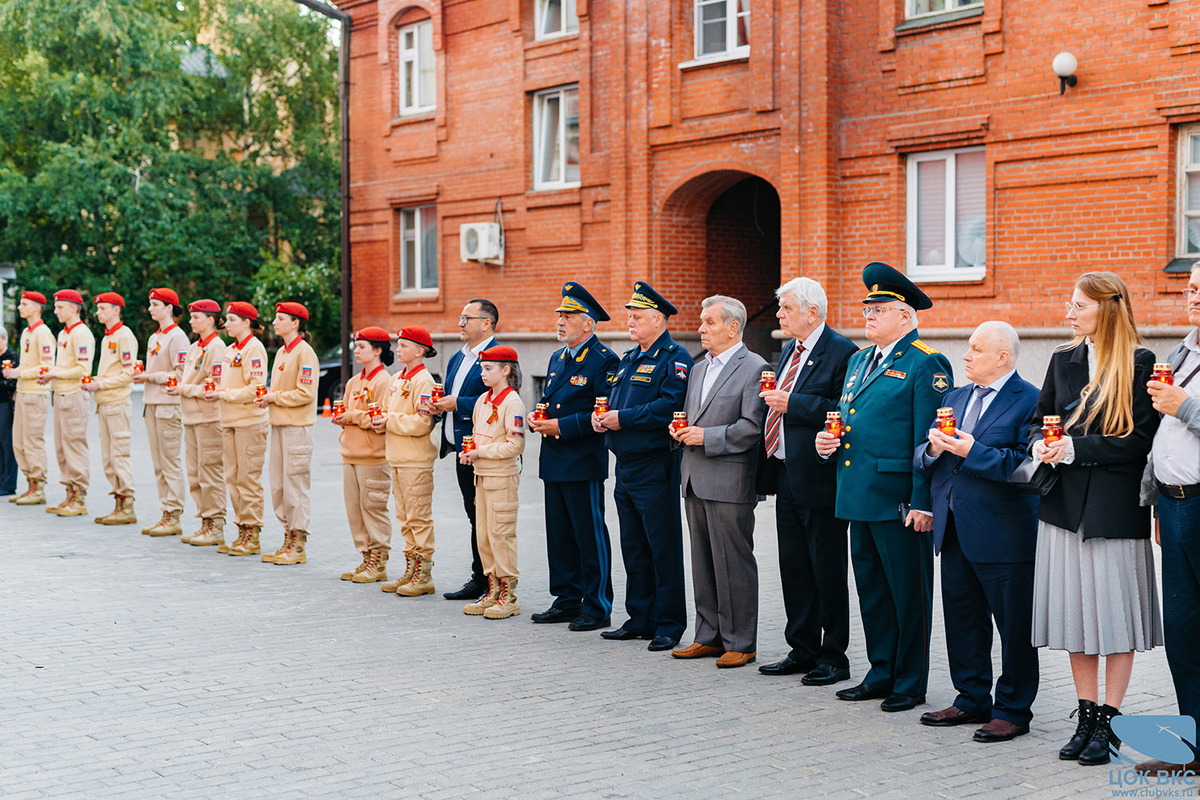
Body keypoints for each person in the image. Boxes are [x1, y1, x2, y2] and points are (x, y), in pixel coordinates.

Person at [1028, 271, 1162, 766]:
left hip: (1113, 509)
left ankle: (1110, 722)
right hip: (1063, 510)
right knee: (1076, 618)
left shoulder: (1139, 362)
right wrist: (1040, 444)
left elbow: (1139, 440)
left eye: (1079, 305)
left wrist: (1075, 449)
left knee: (1114, 619)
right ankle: (1085, 715)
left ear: (1108, 307)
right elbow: (1036, 420)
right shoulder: (1063, 360)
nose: (1069, 312)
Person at [816, 262, 953, 712]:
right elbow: (846, 421)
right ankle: (880, 671)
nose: (869, 314)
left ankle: (910, 682)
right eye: (867, 307)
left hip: (899, 499)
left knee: (907, 594)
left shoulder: (926, 362)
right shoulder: (858, 360)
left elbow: (927, 437)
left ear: (907, 316)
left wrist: (922, 501)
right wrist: (826, 444)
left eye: (880, 308)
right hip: (858, 494)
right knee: (872, 591)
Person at [913, 321, 1040, 743]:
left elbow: (1027, 468)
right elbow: (925, 455)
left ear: (1002, 357)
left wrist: (972, 450)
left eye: (975, 349)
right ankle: (971, 698)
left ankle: (1013, 709)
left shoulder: (1030, 401)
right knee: (963, 620)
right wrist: (932, 449)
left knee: (1014, 626)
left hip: (1004, 533)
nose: (965, 356)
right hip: (953, 528)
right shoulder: (955, 396)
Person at [755, 277, 857, 685]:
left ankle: (833, 656)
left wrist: (791, 403)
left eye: (785, 309)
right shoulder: (790, 350)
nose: (778, 316)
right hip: (786, 474)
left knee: (826, 568)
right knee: (793, 566)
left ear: (812, 312)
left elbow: (842, 408)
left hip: (819, 476)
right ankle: (802, 648)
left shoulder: (842, 351)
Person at [669, 296, 767, 668]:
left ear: (732, 327)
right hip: (694, 477)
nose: (701, 328)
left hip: (729, 480)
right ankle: (708, 635)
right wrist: (680, 432)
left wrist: (704, 438)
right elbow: (695, 416)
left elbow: (751, 428)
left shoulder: (754, 367)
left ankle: (741, 641)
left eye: (709, 322)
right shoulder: (697, 368)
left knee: (734, 564)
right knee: (703, 562)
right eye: (701, 321)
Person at [597, 282, 693, 653]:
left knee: (662, 546)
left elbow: (670, 405)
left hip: (656, 464)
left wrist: (623, 419)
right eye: (630, 316)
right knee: (634, 546)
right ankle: (639, 618)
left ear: (658, 319)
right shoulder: (628, 358)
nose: (630, 322)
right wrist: (604, 418)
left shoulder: (674, 358)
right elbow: (618, 401)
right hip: (626, 466)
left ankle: (669, 623)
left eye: (637, 317)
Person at [1137, 262, 1200, 775]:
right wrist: (1157, 498)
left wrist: (1185, 407)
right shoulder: (1183, 349)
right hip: (1175, 505)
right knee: (1182, 631)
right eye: (1193, 288)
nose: (1195, 297)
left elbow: (1182, 415)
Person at [528, 282, 620, 632]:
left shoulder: (603, 360)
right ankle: (566, 599)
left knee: (589, 534)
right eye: (560, 315)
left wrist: (560, 426)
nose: (561, 321)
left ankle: (597, 605)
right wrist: (543, 421)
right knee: (560, 535)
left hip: (582, 459)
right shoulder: (557, 358)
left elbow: (603, 412)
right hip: (554, 458)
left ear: (589, 324)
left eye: (568, 316)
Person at [432, 299, 498, 600]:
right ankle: (479, 576)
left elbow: (503, 398)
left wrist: (457, 404)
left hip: (484, 450)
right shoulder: (458, 357)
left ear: (486, 323)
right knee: (473, 514)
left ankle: (491, 579)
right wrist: (436, 406)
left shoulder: (499, 356)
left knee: (487, 517)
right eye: (460, 317)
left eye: (466, 318)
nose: (460, 323)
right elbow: (449, 394)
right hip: (461, 448)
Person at [459, 345, 526, 619]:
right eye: (482, 368)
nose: (483, 373)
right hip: (482, 477)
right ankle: (493, 589)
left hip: (502, 479)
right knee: (484, 536)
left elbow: (515, 445)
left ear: (506, 370)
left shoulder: (513, 402)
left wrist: (480, 452)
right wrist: (470, 452)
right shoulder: (482, 400)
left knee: (501, 535)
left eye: (488, 368)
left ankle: (509, 594)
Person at [374, 326, 438, 595]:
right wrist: (380, 421)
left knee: (418, 516)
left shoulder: (425, 381)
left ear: (419, 351)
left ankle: (423, 574)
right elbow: (390, 413)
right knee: (404, 517)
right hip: (398, 456)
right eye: (398, 345)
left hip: (415, 459)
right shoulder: (397, 378)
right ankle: (410, 569)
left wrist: (389, 420)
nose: (397, 350)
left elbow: (422, 422)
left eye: (403, 345)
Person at [258, 302, 320, 566]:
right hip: (280, 424)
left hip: (297, 427)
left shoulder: (304, 353)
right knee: (279, 486)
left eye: (280, 318)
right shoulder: (283, 351)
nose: (274, 322)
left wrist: (273, 397)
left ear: (295, 323)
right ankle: (287, 537)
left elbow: (305, 393)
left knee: (295, 486)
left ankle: (299, 542)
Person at [336, 327, 395, 584]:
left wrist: (350, 416)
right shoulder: (353, 381)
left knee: (373, 508)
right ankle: (365, 556)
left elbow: (379, 418)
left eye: (362, 347)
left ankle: (379, 559)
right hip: (350, 452)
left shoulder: (385, 381)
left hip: (373, 455)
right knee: (355, 510)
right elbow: (349, 410)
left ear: (378, 350)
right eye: (356, 347)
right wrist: (343, 418)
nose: (356, 351)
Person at [212, 301, 270, 556]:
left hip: (249, 421)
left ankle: (252, 532)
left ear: (247, 323)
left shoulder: (254, 349)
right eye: (227, 318)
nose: (227, 323)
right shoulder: (229, 349)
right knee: (233, 478)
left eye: (233, 319)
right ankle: (241, 530)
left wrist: (224, 394)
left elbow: (255, 388)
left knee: (248, 479)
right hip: (230, 420)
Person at [171, 299, 228, 546]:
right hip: (191, 416)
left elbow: (214, 384)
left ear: (211, 319)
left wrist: (184, 389)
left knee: (210, 470)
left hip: (208, 417)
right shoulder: (195, 346)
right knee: (195, 473)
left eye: (197, 317)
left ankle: (215, 523)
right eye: (192, 316)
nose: (191, 321)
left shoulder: (216, 346)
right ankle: (204, 521)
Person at [135, 288, 190, 536]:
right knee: (159, 464)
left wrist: (150, 376)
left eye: (155, 304)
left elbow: (181, 375)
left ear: (169, 308)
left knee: (170, 462)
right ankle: (165, 512)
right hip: (152, 403)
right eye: (150, 304)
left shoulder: (177, 337)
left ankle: (174, 514)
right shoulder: (155, 337)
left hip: (169, 405)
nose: (150, 308)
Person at [83, 292, 139, 525]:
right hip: (104, 403)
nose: (98, 313)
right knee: (108, 459)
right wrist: (96, 379)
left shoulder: (124, 335)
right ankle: (118, 503)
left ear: (116, 310)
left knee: (119, 456)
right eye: (98, 309)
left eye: (103, 309)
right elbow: (113, 370)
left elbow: (129, 374)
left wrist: (101, 383)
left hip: (117, 403)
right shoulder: (108, 337)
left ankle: (127, 506)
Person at [41, 289, 95, 516]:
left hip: (73, 395)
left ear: (73, 308)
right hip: (61, 395)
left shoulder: (81, 333)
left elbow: (83, 369)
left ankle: (79, 497)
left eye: (60, 307)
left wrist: (54, 374)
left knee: (74, 445)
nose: (55, 311)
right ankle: (69, 493)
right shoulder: (64, 334)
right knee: (62, 447)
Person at [6, 291, 56, 505]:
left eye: (24, 304)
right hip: (24, 393)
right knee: (19, 442)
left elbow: (47, 366)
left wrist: (20, 373)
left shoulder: (43, 333)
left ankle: (38, 487)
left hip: (36, 393)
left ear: (36, 307)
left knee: (33, 441)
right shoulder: (27, 332)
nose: (19, 307)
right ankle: (30, 484)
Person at [0, 327, 17, 496]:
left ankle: (8, 484)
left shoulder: (10, 358)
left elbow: (11, 383)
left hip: (5, 405)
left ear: (4, 339)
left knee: (7, 444)